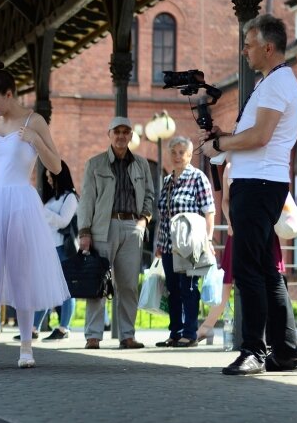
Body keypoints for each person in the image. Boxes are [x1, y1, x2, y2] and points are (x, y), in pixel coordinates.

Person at [201, 14, 297, 375]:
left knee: (247, 269)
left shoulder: (276, 85)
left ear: (268, 47)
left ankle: (253, 351)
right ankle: (285, 351)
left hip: (258, 185)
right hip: (260, 182)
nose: (244, 50)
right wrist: (223, 141)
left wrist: (221, 143)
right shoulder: (272, 83)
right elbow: (255, 135)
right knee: (265, 270)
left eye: (249, 43)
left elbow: (260, 137)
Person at [0, 58, 69, 369]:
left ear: (9, 93)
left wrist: (35, 140)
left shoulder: (34, 121)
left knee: (21, 271)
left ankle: (26, 347)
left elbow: (56, 166)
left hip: (20, 200)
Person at [77, 116, 154, 350]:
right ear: (109, 134)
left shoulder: (141, 164)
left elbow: (149, 195)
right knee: (97, 283)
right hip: (103, 228)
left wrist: (143, 221)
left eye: (126, 132)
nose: (121, 136)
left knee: (129, 285)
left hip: (132, 227)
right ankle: (93, 336)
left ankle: (127, 335)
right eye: (117, 132)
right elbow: (87, 200)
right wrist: (84, 231)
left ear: (131, 135)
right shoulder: (95, 164)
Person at [196, 162, 285, 344]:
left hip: (262, 227)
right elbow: (225, 200)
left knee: (269, 279)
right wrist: (231, 221)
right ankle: (207, 326)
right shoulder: (229, 168)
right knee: (228, 282)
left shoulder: (261, 162)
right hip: (237, 229)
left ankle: (273, 335)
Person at [154, 136, 215, 348]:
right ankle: (175, 332)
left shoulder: (198, 178)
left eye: (182, 152)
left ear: (189, 155)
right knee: (172, 289)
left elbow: (209, 211)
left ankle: (190, 333)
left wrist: (208, 240)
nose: (178, 156)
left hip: (190, 245)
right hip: (169, 245)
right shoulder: (167, 181)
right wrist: (159, 245)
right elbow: (163, 215)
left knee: (188, 288)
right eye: (174, 152)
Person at [39, 161, 79, 341]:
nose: (48, 180)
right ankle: (33, 327)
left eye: (50, 176)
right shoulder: (51, 198)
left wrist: (43, 213)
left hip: (63, 247)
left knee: (65, 288)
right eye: (46, 177)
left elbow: (63, 221)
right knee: (44, 286)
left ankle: (64, 327)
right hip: (48, 247)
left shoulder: (70, 197)